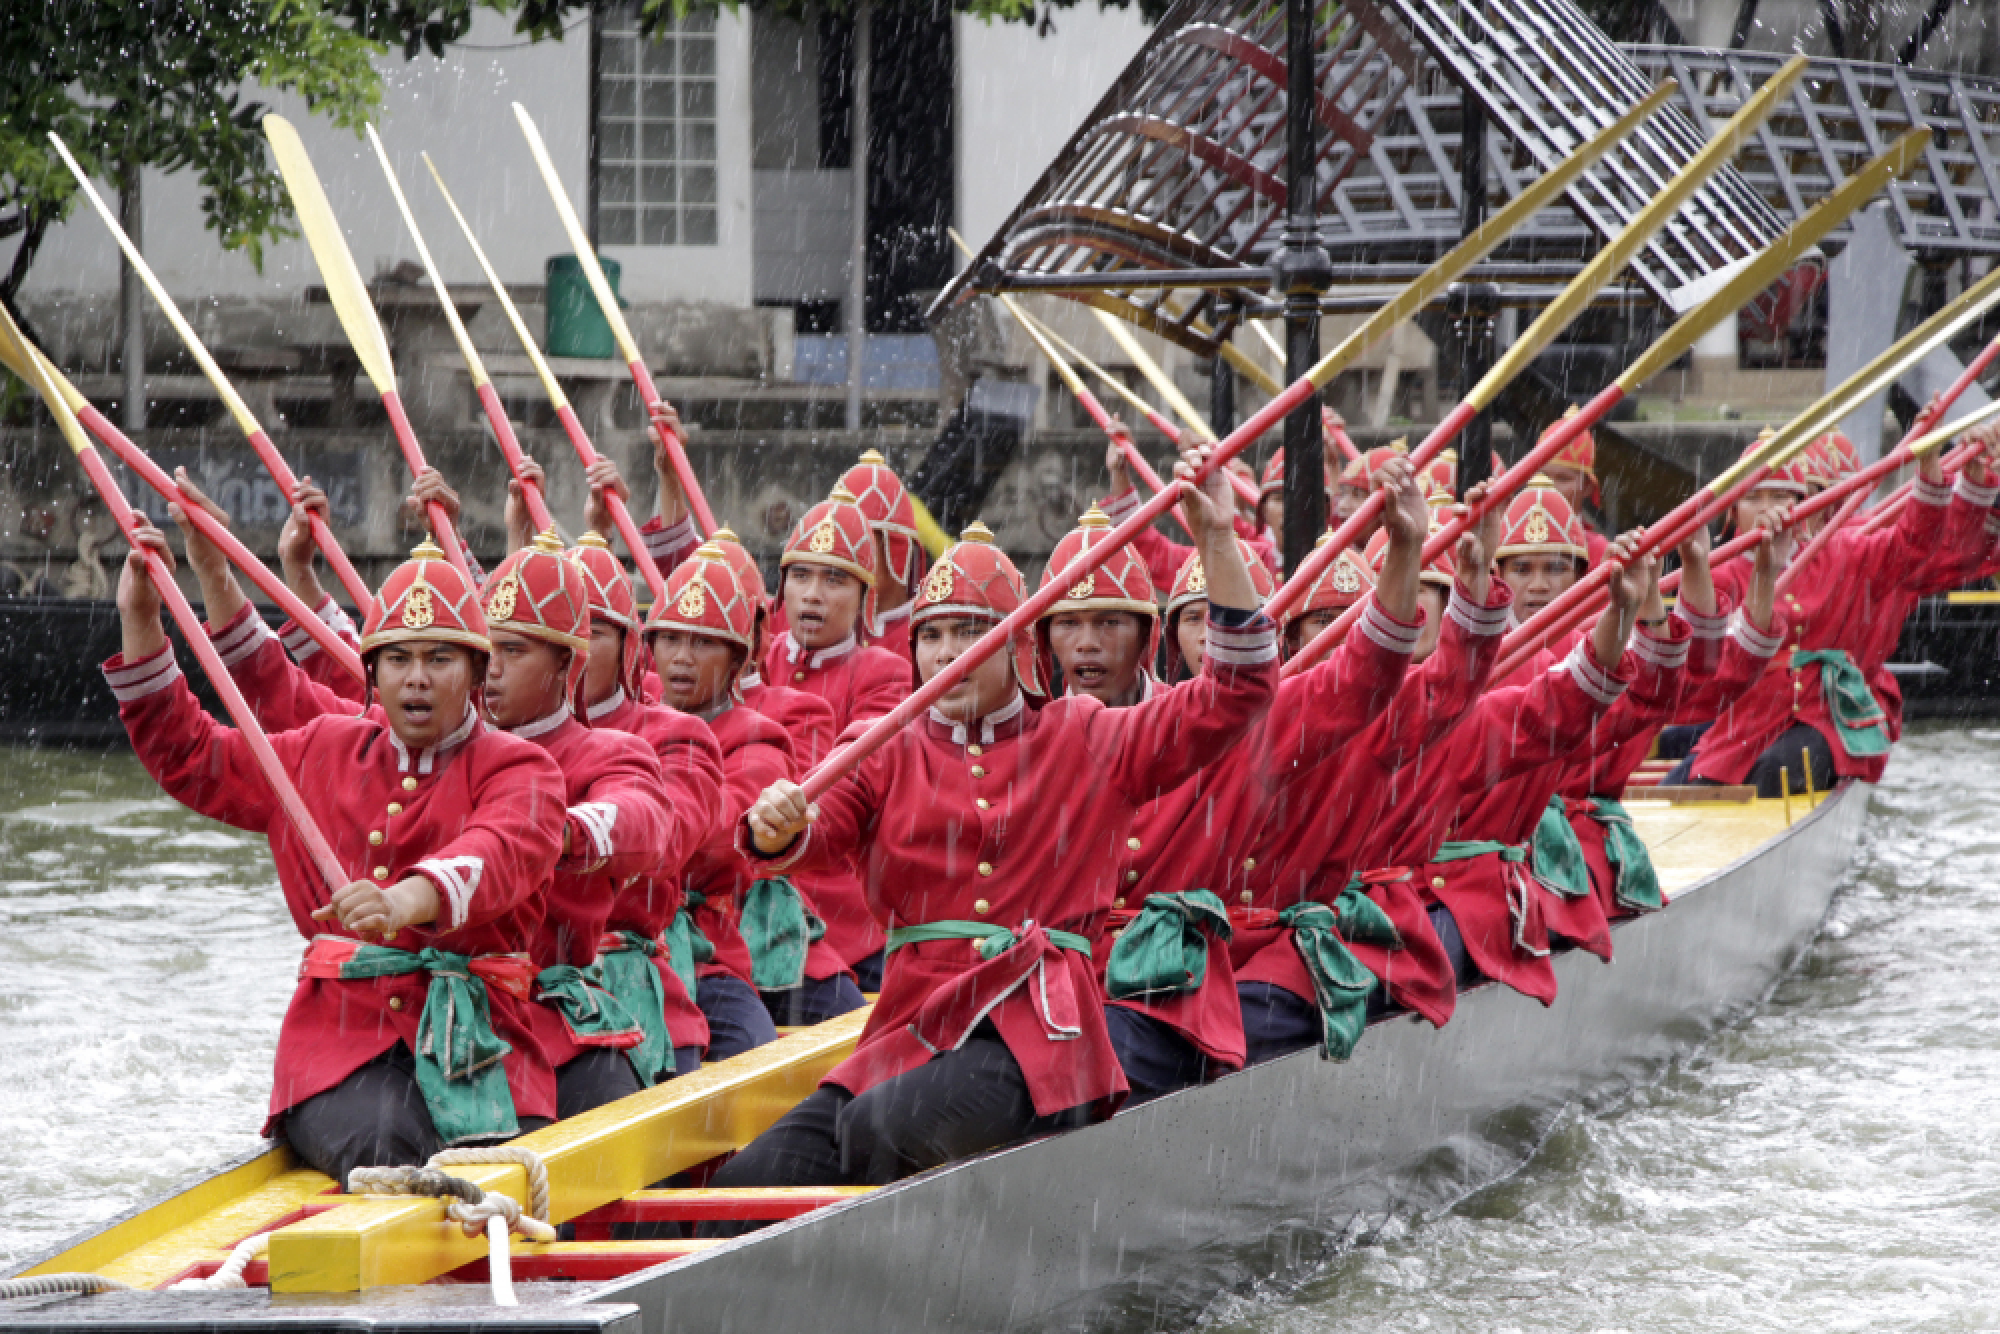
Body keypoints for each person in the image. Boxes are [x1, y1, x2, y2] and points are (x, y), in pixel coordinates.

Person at [709, 439, 1275, 1202]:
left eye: (969, 633)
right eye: (932, 636)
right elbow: (817, 827)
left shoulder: (1083, 733)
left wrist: (1215, 541)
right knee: (742, 1186)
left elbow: (1236, 693)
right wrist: (779, 825)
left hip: (1038, 1032)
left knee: (879, 1129)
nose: (946, 656)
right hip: (910, 1026)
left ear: (1015, 644)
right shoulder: (885, 746)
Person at [105, 520, 567, 1187]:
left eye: (440, 659)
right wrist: (141, 618)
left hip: (487, 1048)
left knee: (504, 1160)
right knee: (386, 1138)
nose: (417, 679)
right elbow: (188, 753)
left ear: (475, 670)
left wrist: (403, 899)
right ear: (371, 671)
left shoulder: (523, 767)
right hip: (341, 1049)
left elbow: (498, 853)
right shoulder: (319, 750)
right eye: (398, 659)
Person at [1098, 456, 1431, 1102]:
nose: (1088, 645)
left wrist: (1406, 552)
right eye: (1193, 618)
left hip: (1222, 965)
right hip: (1108, 964)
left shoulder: (1273, 720)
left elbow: (1368, 675)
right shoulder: (1079, 725)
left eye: (1220, 620)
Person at [1233, 484, 1511, 1056]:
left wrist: (1472, 584)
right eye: (1322, 625)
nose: (1339, 642)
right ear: (1287, 640)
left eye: (1351, 625)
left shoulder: (1379, 723)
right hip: (1211, 943)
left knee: (1235, 1023)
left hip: (1301, 943)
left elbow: (1453, 681)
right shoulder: (1198, 718)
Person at [645, 542, 866, 1047]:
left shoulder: (763, 734)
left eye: (702, 642)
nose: (681, 657)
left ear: (740, 655)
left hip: (725, 938)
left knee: (759, 1048)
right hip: (623, 950)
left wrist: (625, 835)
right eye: (671, 638)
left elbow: (727, 833)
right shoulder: (623, 729)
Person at [1674, 437, 1982, 796]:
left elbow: (1914, 545)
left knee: (1775, 770)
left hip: (1826, 715)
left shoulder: (1842, 552)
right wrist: (1693, 567)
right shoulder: (1722, 575)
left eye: (1779, 497)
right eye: (1753, 498)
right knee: (1688, 787)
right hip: (1748, 720)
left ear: (1801, 506)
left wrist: (1929, 467)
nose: (1765, 509)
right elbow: (1699, 663)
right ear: (1733, 511)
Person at [1101, 423, 1281, 580]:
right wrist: (1120, 475)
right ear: (1264, 511)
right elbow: (1151, 554)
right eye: (1279, 498)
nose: (1290, 510)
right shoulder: (1249, 559)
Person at [1037, 504, 1162, 707]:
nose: (1087, 643)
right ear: (1047, 640)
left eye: (1110, 622)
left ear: (1146, 634)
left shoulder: (1184, 719)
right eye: (1068, 623)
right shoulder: (1038, 735)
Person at [837, 448, 930, 663]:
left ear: (897, 553)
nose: (844, 564)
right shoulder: (801, 626)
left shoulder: (931, 632)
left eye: (859, 547)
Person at [1537, 406, 1611, 567]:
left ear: (1587, 487)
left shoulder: (1598, 551)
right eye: (1543, 476)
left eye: (1563, 479)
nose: (1549, 487)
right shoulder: (1507, 542)